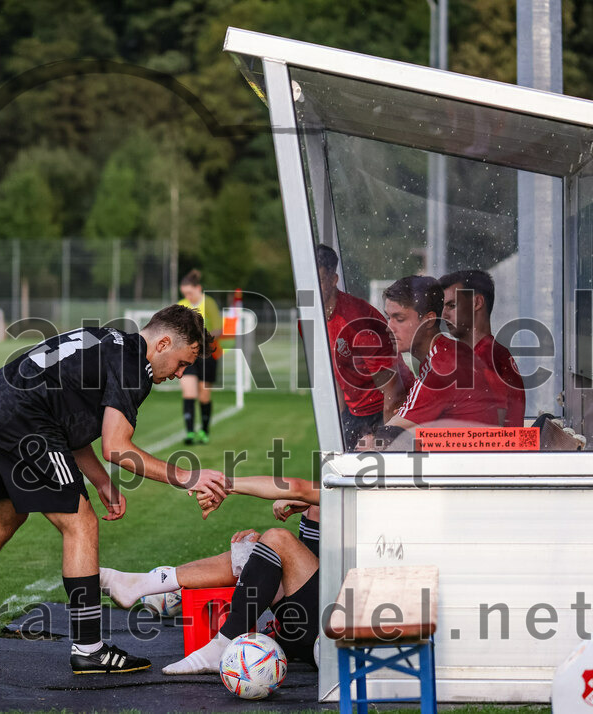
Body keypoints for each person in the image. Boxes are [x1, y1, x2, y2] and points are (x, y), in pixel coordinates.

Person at [0, 306, 228, 673]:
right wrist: (189, 477)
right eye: (182, 362)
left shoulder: (109, 340)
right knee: (81, 523)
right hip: (24, 419)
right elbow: (117, 447)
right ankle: (89, 648)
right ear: (163, 342)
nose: (180, 374)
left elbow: (68, 418)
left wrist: (100, 480)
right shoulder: (134, 365)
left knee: (6, 517)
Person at [120, 475, 320, 675]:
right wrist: (265, 551)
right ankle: (146, 583)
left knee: (279, 538)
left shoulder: (345, 486)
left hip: (328, 639)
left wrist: (221, 485)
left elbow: (296, 487)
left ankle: (223, 643)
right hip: (301, 624)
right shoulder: (326, 494)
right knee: (254, 547)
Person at [371, 275, 501, 449]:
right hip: (471, 461)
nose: (389, 327)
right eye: (388, 317)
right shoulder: (446, 352)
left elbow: (388, 437)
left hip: (471, 467)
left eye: (399, 319)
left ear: (429, 320)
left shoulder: (442, 366)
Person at [315, 245, 411, 448]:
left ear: (333, 280)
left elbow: (394, 392)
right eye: (309, 280)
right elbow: (334, 375)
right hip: (355, 412)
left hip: (388, 411)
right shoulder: (311, 317)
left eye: (320, 280)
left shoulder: (358, 321)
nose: (313, 287)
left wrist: (382, 441)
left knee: (388, 476)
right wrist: (341, 422)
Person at [439, 270, 525, 427]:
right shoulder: (488, 354)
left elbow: (490, 431)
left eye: (451, 305)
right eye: (442, 307)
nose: (443, 315)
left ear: (477, 303)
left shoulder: (485, 359)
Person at [177, 270, 222, 444]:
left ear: (198, 288)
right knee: (189, 392)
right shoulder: (182, 305)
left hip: (207, 354)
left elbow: (218, 328)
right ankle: (189, 433)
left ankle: (204, 431)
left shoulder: (208, 303)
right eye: (185, 293)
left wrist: (203, 339)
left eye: (190, 292)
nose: (188, 296)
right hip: (188, 355)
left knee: (204, 396)